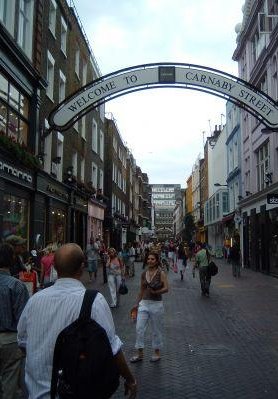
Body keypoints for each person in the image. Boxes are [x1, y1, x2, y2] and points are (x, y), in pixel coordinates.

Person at [17, 243, 137, 399]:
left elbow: (22, 341)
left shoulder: (34, 300)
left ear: (54, 266)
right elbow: (112, 347)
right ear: (82, 267)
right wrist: (129, 378)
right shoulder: (94, 301)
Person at [0, 243, 29, 399]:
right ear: (12, 260)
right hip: (10, 340)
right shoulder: (16, 285)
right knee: (9, 383)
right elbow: (23, 320)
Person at [130, 251, 169, 363]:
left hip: (156, 305)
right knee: (139, 328)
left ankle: (156, 352)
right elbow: (141, 290)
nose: (150, 261)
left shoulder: (161, 273)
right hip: (144, 304)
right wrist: (136, 304)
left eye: (152, 259)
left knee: (156, 330)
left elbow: (166, 288)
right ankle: (140, 353)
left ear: (156, 261)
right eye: (148, 259)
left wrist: (156, 291)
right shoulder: (144, 274)